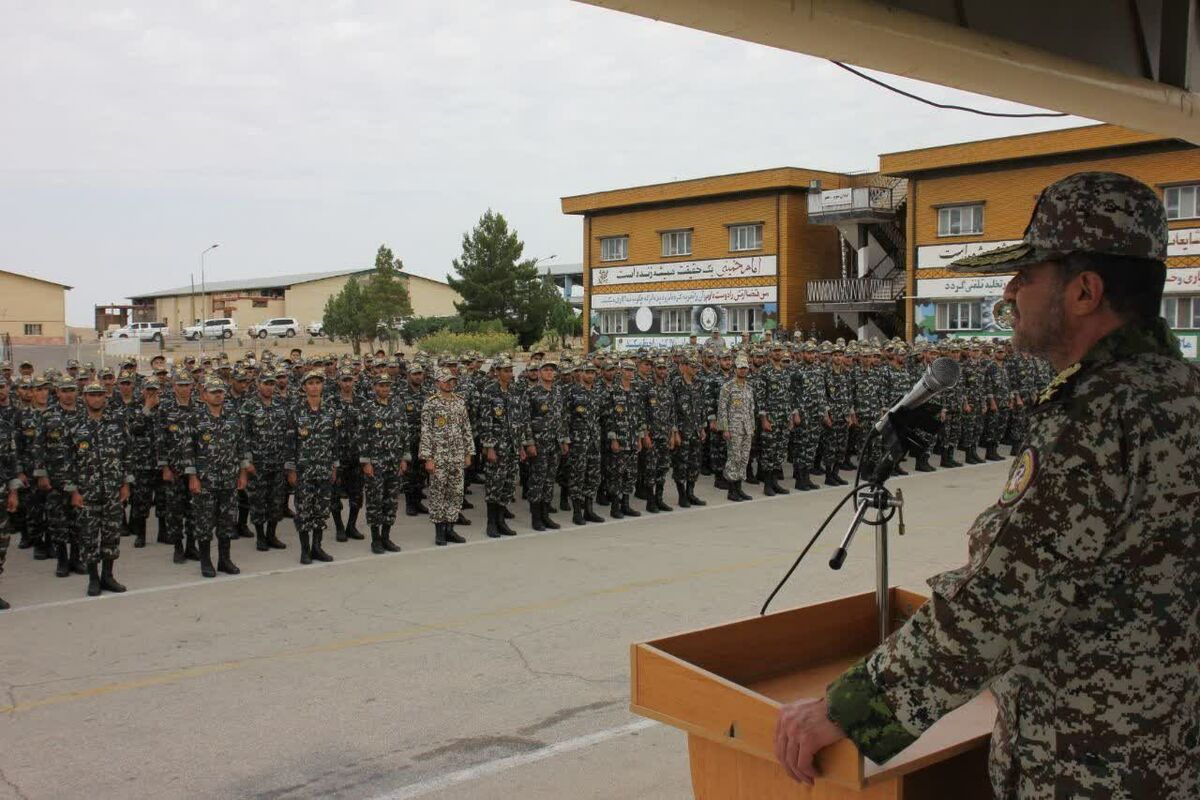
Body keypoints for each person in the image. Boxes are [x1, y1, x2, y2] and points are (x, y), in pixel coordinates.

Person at [774, 172, 1200, 799]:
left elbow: (1000, 598)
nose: (1010, 291)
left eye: (1027, 275)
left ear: (1085, 291)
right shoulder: (1181, 393)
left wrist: (848, 708)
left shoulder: (1098, 419)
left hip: (1091, 769)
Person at [66, 382, 132, 596]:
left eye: (100, 395)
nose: (96, 399)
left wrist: (125, 484)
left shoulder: (117, 423)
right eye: (92, 395)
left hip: (113, 489)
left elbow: (126, 455)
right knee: (89, 535)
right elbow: (68, 462)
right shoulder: (74, 424)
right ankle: (93, 578)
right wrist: (74, 491)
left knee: (111, 534)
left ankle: (108, 576)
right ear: (84, 397)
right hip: (87, 491)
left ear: (106, 397)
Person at [285, 370, 338, 564]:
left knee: (321, 510)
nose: (315, 386)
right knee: (304, 510)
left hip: (324, 468)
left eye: (318, 382)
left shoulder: (330, 410)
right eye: (311, 383)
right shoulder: (296, 410)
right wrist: (291, 469)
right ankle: (305, 550)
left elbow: (334, 441)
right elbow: (290, 443)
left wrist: (334, 466)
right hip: (304, 471)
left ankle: (317, 547)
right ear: (304, 387)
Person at [418, 368, 472, 546]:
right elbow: (425, 432)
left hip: (457, 455)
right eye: (446, 380)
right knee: (438, 493)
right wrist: (428, 458)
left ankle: (450, 528)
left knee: (455, 493)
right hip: (438, 457)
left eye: (452, 380)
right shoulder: (431, 403)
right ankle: (439, 531)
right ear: (437, 383)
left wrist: (468, 453)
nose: (449, 383)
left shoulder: (459, 402)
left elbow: (466, 429)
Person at [357, 373, 408, 553]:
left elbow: (404, 432)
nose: (385, 388)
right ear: (374, 387)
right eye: (381, 385)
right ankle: (375, 539)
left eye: (387, 385)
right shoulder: (367, 407)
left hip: (394, 461)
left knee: (391, 501)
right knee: (375, 501)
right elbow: (361, 435)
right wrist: (366, 462)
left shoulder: (397, 405)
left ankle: (386, 537)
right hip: (375, 462)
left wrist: (404, 458)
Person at [525, 358, 567, 531]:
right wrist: (529, 443)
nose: (550, 372)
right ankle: (536, 518)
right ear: (540, 372)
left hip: (555, 444)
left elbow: (561, 418)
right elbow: (526, 420)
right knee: (538, 480)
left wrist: (564, 440)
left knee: (549, 481)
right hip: (539, 444)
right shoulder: (532, 393)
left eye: (552, 370)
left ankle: (545, 515)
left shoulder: (558, 392)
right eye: (546, 370)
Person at [717, 355, 755, 501]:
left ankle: (739, 488)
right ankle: (732, 490)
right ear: (735, 369)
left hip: (746, 428)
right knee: (734, 458)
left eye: (745, 368)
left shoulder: (749, 388)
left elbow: (751, 409)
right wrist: (724, 429)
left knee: (744, 458)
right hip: (733, 429)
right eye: (740, 368)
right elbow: (722, 409)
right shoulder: (727, 387)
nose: (743, 370)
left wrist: (752, 427)